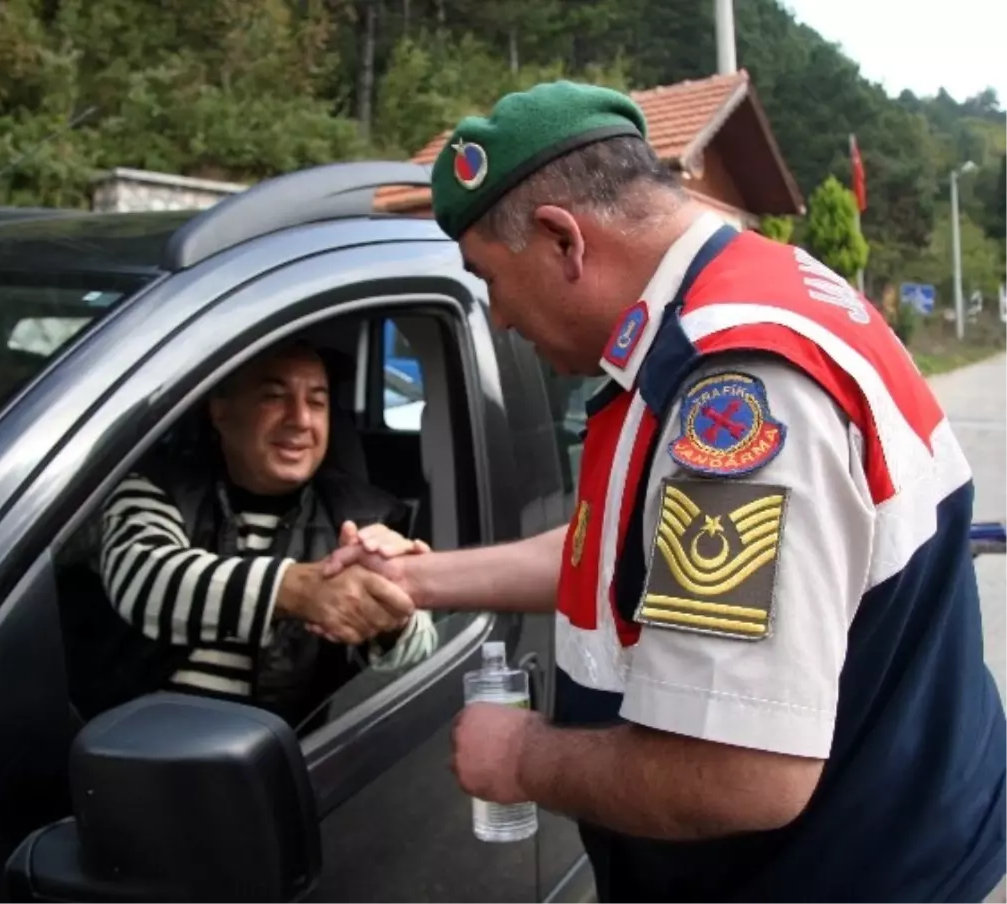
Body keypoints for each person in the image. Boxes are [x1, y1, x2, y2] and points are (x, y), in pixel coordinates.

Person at [323, 81, 1007, 902]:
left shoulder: (734, 386)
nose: (498, 319)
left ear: (562, 241)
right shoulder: (750, 297)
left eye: (490, 280)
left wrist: (520, 757)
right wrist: (415, 579)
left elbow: (743, 773)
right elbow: (627, 548)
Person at [97, 338, 437, 729]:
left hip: (283, 770)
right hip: (136, 755)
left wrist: (395, 615)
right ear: (221, 410)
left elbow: (422, 660)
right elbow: (143, 579)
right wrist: (298, 590)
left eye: (317, 402)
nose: (300, 420)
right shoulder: (157, 486)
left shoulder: (367, 518)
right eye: (274, 396)